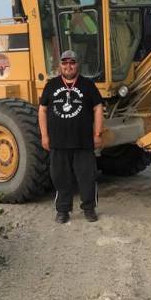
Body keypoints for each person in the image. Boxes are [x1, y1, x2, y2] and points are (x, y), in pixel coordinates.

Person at [38, 49, 105, 224]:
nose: (68, 66)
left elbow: (98, 108)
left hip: (83, 142)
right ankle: (62, 210)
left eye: (72, 62)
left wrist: (97, 133)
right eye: (65, 63)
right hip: (58, 143)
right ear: (60, 65)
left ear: (77, 64)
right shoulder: (51, 85)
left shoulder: (88, 85)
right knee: (60, 178)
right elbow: (42, 110)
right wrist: (44, 136)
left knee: (87, 177)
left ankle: (89, 209)